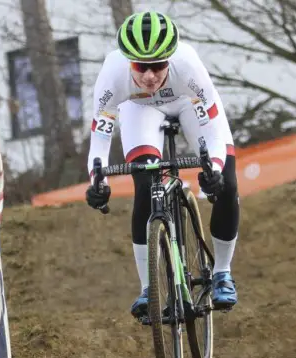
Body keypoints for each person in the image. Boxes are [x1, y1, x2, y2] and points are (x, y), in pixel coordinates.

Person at [84, 11, 240, 319]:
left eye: (157, 66)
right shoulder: (112, 77)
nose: (150, 76)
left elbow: (211, 129)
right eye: (142, 67)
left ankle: (222, 271)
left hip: (188, 103)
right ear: (129, 61)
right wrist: (96, 182)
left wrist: (216, 171)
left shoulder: (189, 66)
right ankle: (148, 288)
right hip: (139, 108)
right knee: (145, 185)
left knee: (228, 183)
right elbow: (99, 141)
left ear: (169, 59)